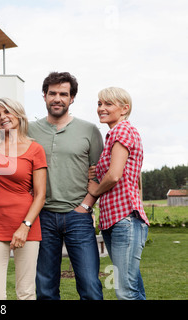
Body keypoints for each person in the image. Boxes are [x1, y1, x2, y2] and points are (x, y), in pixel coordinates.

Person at [28, 71, 104, 300]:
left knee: (90, 285)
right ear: (44, 96)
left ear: (72, 98)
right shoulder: (29, 131)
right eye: (52, 93)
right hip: (43, 216)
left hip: (77, 216)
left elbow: (99, 172)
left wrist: (86, 206)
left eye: (63, 94)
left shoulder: (89, 130)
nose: (57, 98)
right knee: (45, 287)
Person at [0, 98, 47, 300]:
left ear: (18, 114)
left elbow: (40, 195)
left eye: (7, 112)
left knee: (26, 292)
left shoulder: (35, 149)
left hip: (26, 226)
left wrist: (25, 226)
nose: (3, 117)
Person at [87, 87, 149, 300]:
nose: (101, 108)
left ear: (124, 109)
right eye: (99, 103)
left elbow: (114, 176)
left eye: (108, 104)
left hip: (125, 219)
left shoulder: (122, 131)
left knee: (125, 292)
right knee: (133, 288)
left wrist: (95, 189)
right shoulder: (114, 134)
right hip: (115, 220)